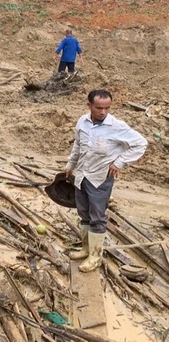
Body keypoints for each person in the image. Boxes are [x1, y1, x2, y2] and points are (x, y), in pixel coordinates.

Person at [65, 89, 147, 272]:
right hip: (82, 176)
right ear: (89, 106)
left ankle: (95, 256)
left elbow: (141, 143)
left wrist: (119, 162)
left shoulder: (116, 126)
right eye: (99, 108)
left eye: (107, 108)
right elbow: (78, 145)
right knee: (83, 214)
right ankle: (86, 248)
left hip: (100, 179)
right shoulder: (82, 122)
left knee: (97, 218)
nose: (103, 112)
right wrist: (70, 165)